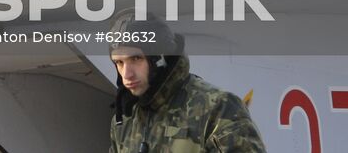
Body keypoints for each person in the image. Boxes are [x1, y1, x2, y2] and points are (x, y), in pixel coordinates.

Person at [108, 14, 265, 152]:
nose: (126, 74)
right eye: (119, 63)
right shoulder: (125, 120)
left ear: (159, 59)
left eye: (136, 59)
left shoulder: (218, 108)